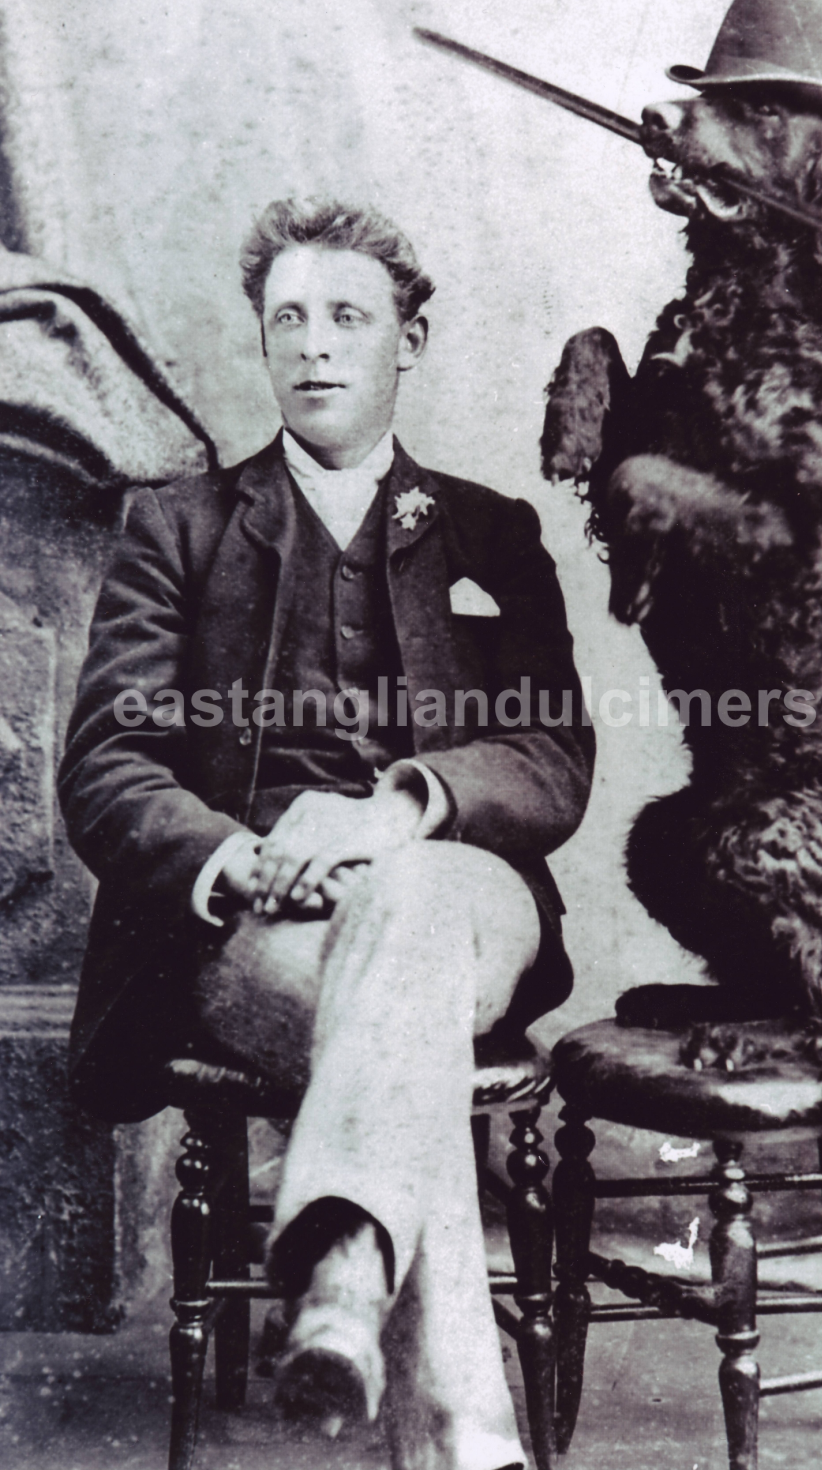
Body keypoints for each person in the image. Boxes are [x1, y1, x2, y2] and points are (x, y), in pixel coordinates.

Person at [59, 198, 594, 1470]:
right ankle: (455, 1421)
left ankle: (346, 1260)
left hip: (467, 896)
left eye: (348, 316)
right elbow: (108, 761)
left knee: (411, 908)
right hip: (265, 920)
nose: (314, 345)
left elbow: (554, 756)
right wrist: (236, 857)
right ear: (262, 342)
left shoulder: (492, 533)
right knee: (403, 1031)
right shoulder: (181, 528)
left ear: (412, 338)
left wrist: (399, 808)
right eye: (287, 319)